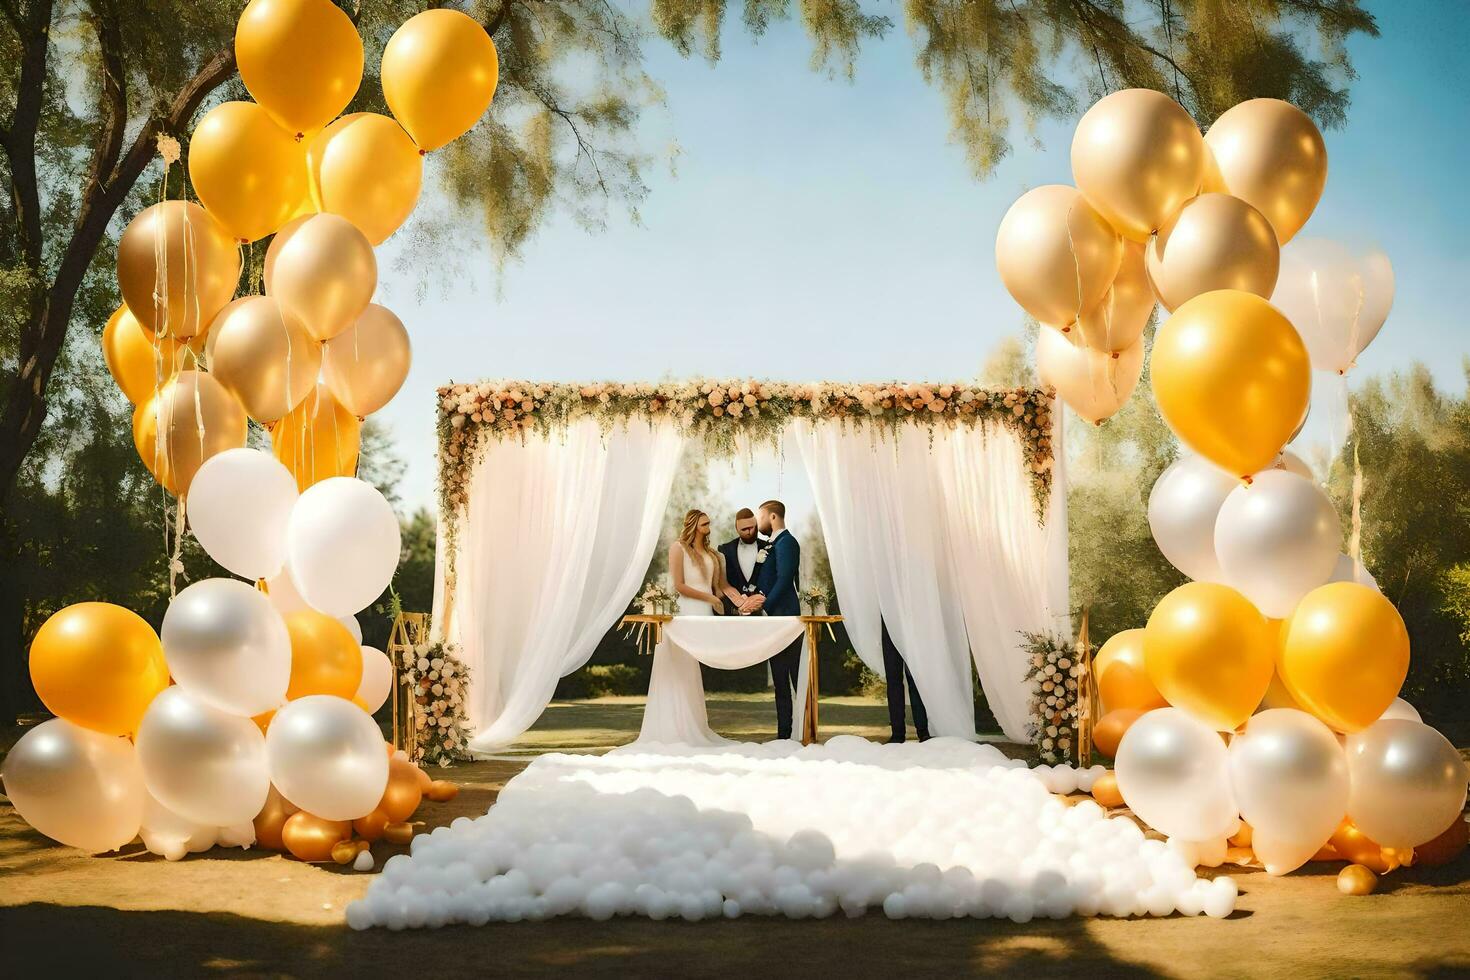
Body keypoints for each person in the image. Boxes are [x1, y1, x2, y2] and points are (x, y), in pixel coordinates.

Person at [753, 499, 802, 739]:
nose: (757, 521)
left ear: (772, 517)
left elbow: (784, 579)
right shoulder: (773, 544)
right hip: (776, 620)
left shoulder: (787, 542)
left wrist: (765, 606)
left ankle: (802, 732)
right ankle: (784, 734)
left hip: (787, 618)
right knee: (780, 680)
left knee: (795, 678)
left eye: (760, 516)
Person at [669, 509, 745, 616]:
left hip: (710, 608)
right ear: (694, 526)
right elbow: (679, 586)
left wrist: (741, 601)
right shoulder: (678, 548)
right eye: (704, 524)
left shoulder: (712, 554)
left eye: (708, 523)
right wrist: (710, 598)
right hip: (689, 607)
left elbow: (724, 585)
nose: (708, 527)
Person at [881, 619, 930, 743]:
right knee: (893, 679)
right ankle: (897, 733)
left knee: (914, 678)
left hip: (911, 621)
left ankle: (923, 730)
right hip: (890, 622)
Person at [717, 508, 767, 615]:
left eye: (752, 528)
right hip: (734, 611)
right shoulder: (725, 549)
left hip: (764, 610)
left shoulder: (768, 547)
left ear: (756, 525)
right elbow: (722, 583)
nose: (749, 532)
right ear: (736, 529)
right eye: (744, 529)